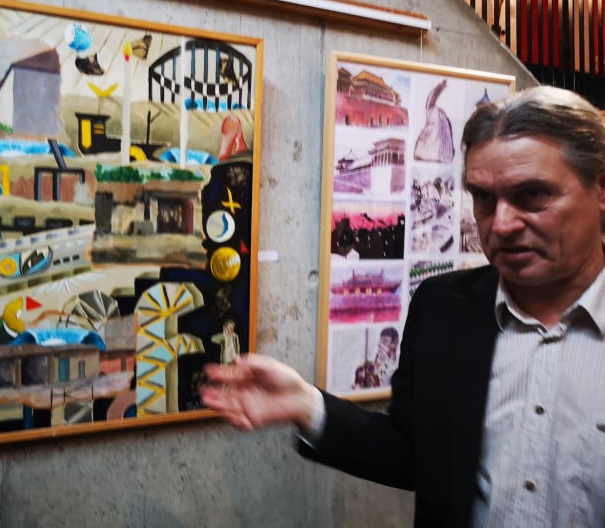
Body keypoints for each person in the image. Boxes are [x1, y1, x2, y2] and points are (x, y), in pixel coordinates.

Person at [200, 85, 605, 527]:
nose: (501, 224)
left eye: (532, 195)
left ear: (600, 188)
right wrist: (307, 405)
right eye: (484, 198)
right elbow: (420, 455)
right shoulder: (443, 309)